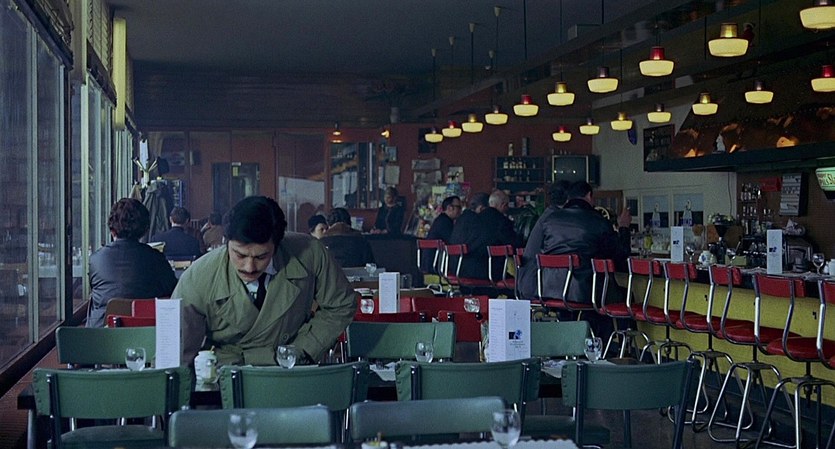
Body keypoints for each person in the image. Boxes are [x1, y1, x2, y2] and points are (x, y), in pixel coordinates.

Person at [175, 196, 356, 366]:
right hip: (225, 369)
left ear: (277, 245)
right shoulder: (198, 277)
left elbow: (341, 305)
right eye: (240, 255)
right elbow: (179, 349)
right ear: (226, 242)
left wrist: (304, 348)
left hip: (292, 365)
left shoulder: (310, 253)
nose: (249, 267)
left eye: (261, 257)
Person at [516, 181, 631, 336]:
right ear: (589, 196)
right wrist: (623, 227)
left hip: (549, 289)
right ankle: (616, 344)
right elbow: (620, 255)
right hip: (584, 292)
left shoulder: (550, 220)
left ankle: (578, 339)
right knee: (625, 296)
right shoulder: (598, 221)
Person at [87, 198, 178, 327]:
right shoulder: (155, 258)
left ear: (112, 229)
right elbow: (172, 290)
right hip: (145, 331)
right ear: (144, 229)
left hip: (102, 332)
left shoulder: (95, 259)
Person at [449, 191, 518, 280]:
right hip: (485, 272)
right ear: (503, 205)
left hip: (458, 269)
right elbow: (513, 245)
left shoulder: (467, 220)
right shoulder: (500, 221)